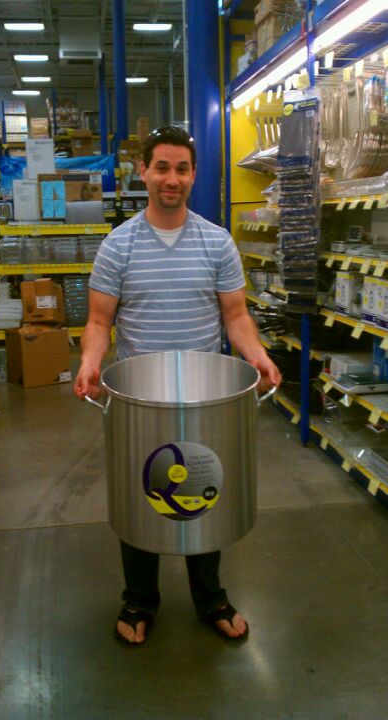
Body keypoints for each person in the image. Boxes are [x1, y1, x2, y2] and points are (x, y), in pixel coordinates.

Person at [74, 126, 281, 646]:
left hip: (205, 397)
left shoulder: (216, 241)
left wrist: (257, 356)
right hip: (136, 398)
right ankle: (139, 600)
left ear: (193, 175)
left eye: (182, 169)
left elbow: (235, 315)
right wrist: (90, 363)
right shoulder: (118, 245)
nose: (172, 179)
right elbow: (99, 321)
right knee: (140, 496)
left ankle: (210, 598)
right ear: (143, 171)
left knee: (201, 494)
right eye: (162, 167)